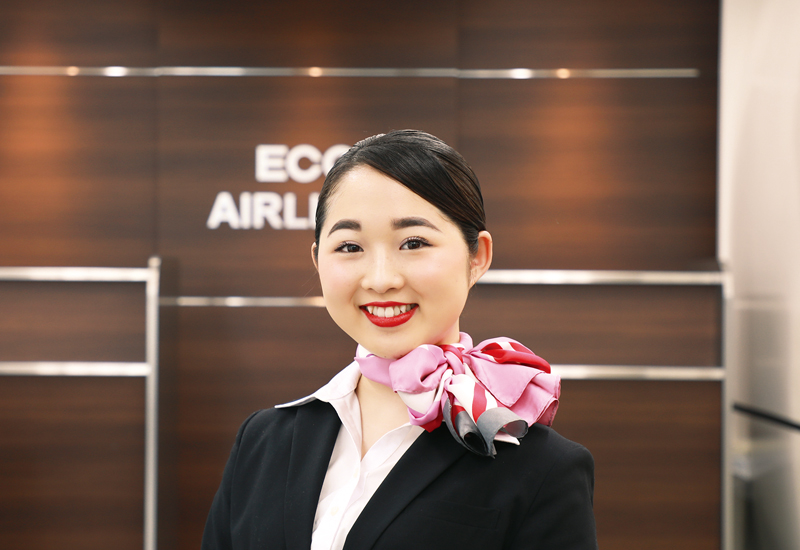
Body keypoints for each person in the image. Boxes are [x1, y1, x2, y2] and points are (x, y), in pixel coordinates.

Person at [202, 130, 597, 550]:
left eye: (413, 243)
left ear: (476, 256)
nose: (380, 279)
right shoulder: (262, 442)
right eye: (349, 246)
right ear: (318, 260)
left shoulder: (542, 468)